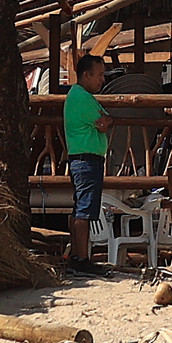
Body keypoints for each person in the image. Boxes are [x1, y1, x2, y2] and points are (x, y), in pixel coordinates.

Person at [64, 52, 113, 274]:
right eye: (99, 75)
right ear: (86, 75)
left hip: (80, 158)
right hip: (87, 159)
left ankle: (76, 256)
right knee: (84, 210)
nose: (103, 79)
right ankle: (82, 259)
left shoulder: (77, 95)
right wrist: (109, 120)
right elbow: (103, 121)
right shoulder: (83, 98)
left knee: (79, 209)